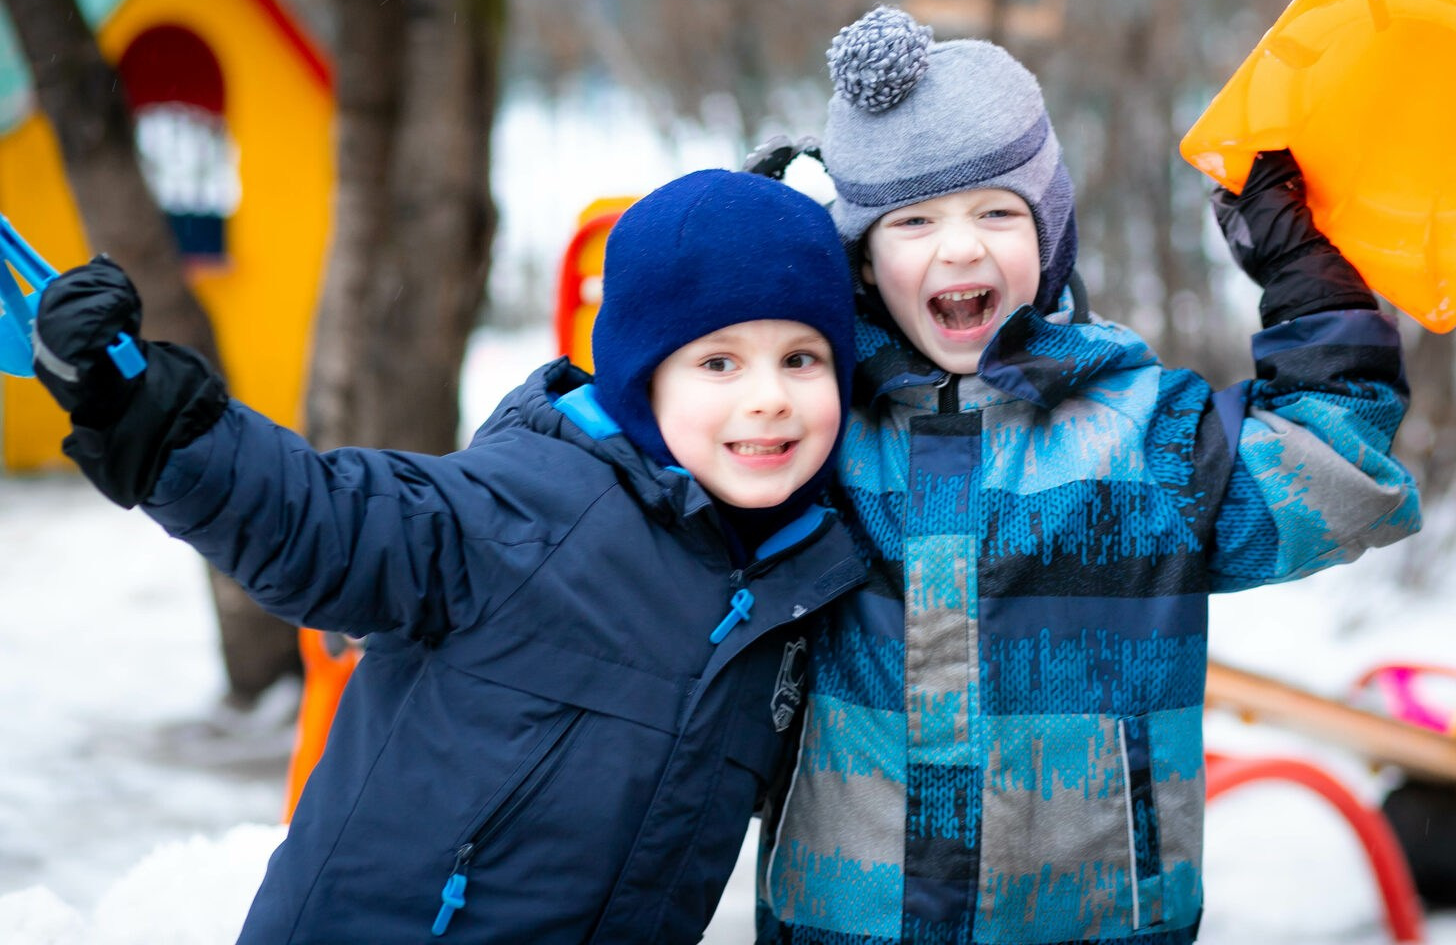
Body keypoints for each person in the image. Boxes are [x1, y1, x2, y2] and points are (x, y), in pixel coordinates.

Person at [31, 169, 863, 944]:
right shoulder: (523, 507)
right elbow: (318, 520)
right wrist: (147, 412)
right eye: (718, 362)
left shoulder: (796, 586)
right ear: (641, 382)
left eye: (802, 359)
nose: (769, 397)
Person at [752, 7, 1423, 944]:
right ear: (862, 261)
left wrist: (1306, 273)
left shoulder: (1143, 440)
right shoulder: (808, 441)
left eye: (996, 210)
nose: (959, 247)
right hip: (841, 920)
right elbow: (646, 461)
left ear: (1050, 232)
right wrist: (751, 285)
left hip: (1094, 921)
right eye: (913, 220)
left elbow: (1338, 462)